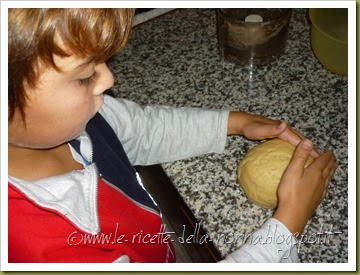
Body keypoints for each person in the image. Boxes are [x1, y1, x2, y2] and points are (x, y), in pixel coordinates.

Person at [8, 8, 336, 263]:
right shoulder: (41, 249)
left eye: (103, 62)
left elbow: (146, 131)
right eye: (84, 76)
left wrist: (234, 123)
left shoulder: (84, 118)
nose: (108, 78)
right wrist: (288, 224)